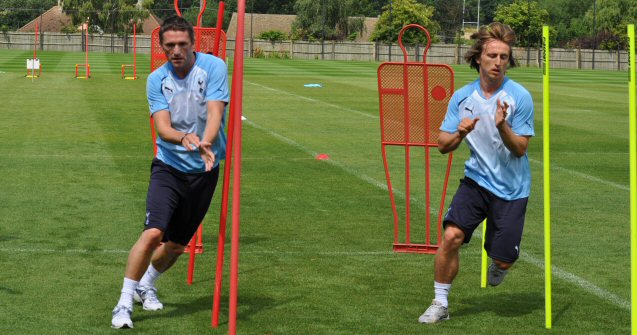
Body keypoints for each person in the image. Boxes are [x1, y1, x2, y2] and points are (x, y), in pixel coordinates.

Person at [111, 15, 229, 329]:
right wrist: (184, 137)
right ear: (162, 46)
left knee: (176, 246)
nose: (176, 50)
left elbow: (216, 110)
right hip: (169, 167)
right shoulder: (156, 79)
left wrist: (206, 140)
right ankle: (123, 304)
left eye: (182, 44)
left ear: (192, 44)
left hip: (205, 169)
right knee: (152, 234)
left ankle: (146, 284)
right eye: (169, 45)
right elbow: (163, 128)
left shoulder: (214, 67)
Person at [418, 22, 534, 324]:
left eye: (504, 57)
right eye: (493, 55)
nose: (498, 62)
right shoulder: (462, 97)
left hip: (511, 189)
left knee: (502, 260)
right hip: (476, 182)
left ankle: (500, 261)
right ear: (478, 57)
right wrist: (460, 130)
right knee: (451, 236)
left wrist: (501, 125)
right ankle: (440, 303)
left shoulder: (519, 97)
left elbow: (520, 148)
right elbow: (442, 145)